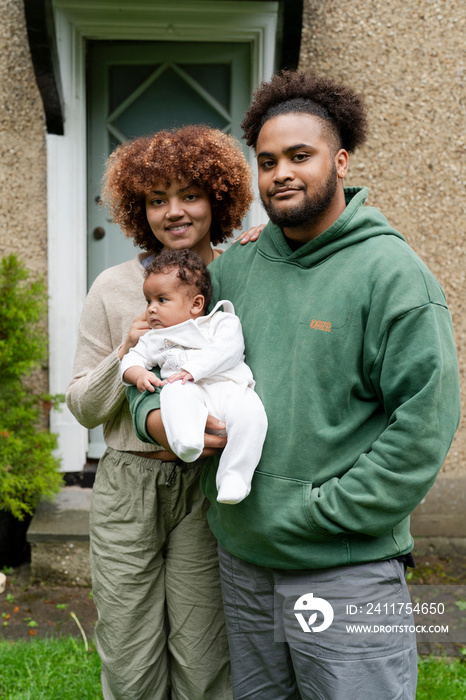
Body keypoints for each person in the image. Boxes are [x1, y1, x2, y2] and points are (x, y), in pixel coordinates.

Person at [129, 71, 461, 700]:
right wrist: (153, 413)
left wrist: (320, 513)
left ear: (339, 161)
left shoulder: (392, 276)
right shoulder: (238, 268)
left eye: (300, 156)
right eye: (268, 161)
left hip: (346, 569)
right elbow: (164, 346)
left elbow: (423, 424)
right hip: (244, 563)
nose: (281, 172)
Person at [66, 124, 256, 700]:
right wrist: (127, 348)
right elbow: (83, 407)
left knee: (205, 655)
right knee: (129, 653)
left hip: (204, 484)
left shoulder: (243, 273)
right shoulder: (114, 287)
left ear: (217, 200)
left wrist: (264, 246)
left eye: (190, 195)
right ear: (137, 208)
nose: (174, 212)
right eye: (156, 199)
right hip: (129, 483)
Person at [121, 248, 267, 504]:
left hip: (230, 390)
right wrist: (139, 374)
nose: (151, 310)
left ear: (196, 304)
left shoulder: (220, 322)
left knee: (252, 416)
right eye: (148, 301)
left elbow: (229, 349)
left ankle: (234, 477)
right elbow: (130, 359)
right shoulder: (154, 339)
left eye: (161, 300)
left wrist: (193, 369)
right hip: (187, 390)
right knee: (173, 394)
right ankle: (186, 439)